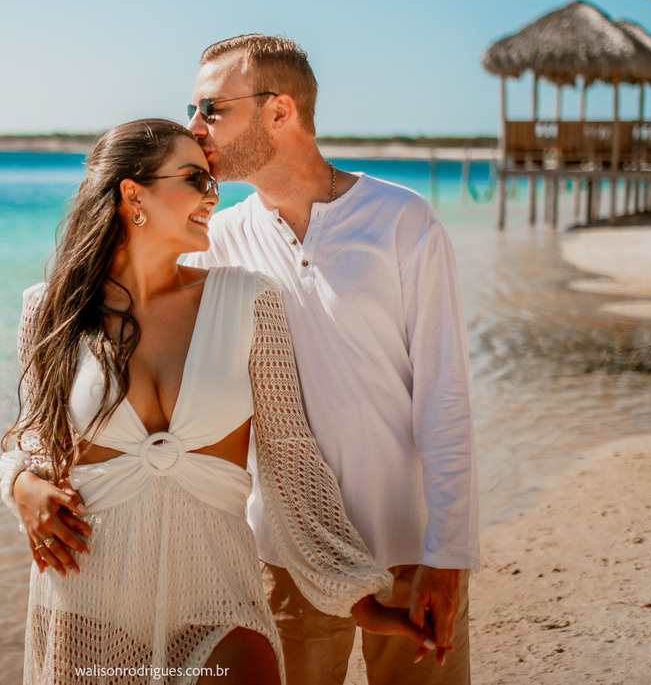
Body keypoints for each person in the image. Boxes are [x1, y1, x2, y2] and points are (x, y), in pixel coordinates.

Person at [0, 118, 434, 685]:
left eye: (212, 181)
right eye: (195, 179)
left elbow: (290, 459)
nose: (214, 194)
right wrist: (20, 486)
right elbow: (30, 439)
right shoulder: (48, 309)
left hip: (216, 599)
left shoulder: (248, 300)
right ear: (134, 194)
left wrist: (356, 596)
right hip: (87, 600)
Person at [180, 35, 480, 685]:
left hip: (409, 549)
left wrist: (450, 552)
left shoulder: (401, 221)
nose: (193, 127)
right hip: (285, 556)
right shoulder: (218, 241)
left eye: (210, 107)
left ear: (279, 110)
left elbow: (444, 396)